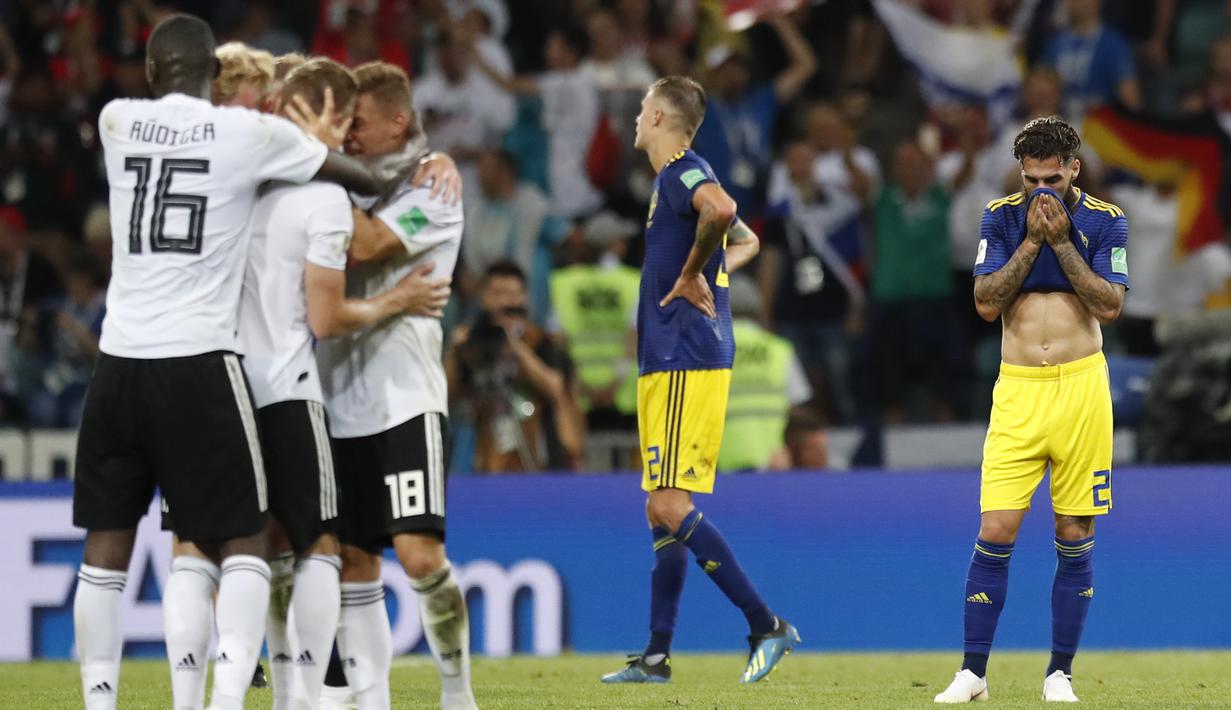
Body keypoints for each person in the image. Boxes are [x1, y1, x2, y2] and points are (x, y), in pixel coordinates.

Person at [72, 14, 391, 710]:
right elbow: (360, 176)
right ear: (214, 75)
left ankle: (99, 701)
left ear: (153, 71)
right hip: (198, 361)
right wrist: (312, 139)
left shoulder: (116, 119)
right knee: (246, 532)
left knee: (108, 547)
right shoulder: (248, 137)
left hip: (117, 361)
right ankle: (228, 700)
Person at [601, 75, 799, 686]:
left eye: (641, 109)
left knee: (668, 503)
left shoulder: (683, 171)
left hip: (686, 354)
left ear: (661, 117)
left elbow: (724, 212)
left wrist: (692, 276)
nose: (636, 117)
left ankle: (765, 624)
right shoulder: (674, 181)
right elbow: (746, 240)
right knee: (657, 510)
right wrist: (709, 266)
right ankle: (657, 656)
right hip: (669, 359)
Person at [933, 116, 1128, 703]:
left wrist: (1064, 242)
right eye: (1030, 178)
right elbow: (986, 303)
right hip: (1017, 388)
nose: (1041, 190)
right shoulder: (1002, 215)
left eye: (1051, 177)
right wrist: (1033, 241)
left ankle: (1059, 673)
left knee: (1073, 531)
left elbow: (1111, 304)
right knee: (996, 528)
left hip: (1081, 388)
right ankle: (973, 673)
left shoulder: (1105, 220)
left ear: (1073, 167)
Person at [315, 60, 478, 710]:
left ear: (398, 122)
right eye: (342, 123)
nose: (346, 135)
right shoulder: (351, 186)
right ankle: (370, 699)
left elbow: (369, 245)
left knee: (418, 555)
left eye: (358, 123)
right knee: (353, 565)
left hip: (404, 400)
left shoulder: (433, 189)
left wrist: (309, 161)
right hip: (335, 401)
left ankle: (457, 694)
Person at [449, 260, 585, 472]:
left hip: (538, 458)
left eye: (511, 293)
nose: (505, 301)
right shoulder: (473, 345)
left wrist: (514, 344)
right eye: (497, 293)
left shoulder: (542, 342)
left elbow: (555, 388)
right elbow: (447, 393)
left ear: (523, 297)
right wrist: (455, 350)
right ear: (484, 298)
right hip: (484, 457)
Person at [548, 210, 641, 431]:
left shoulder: (563, 283)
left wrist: (581, 383)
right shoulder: (632, 282)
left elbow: (558, 340)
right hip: (624, 394)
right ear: (614, 244)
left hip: (579, 394)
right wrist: (615, 383)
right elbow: (635, 340)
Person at [716, 275, 812, 472]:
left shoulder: (709, 349)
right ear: (758, 311)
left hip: (719, 464)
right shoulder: (779, 349)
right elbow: (797, 407)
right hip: (773, 463)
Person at [1039, 0, 1141, 120]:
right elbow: (1039, 90)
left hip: (1098, 128)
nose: (1070, 3)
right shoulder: (1055, 43)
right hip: (1061, 124)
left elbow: (1131, 100)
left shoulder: (1112, 44)